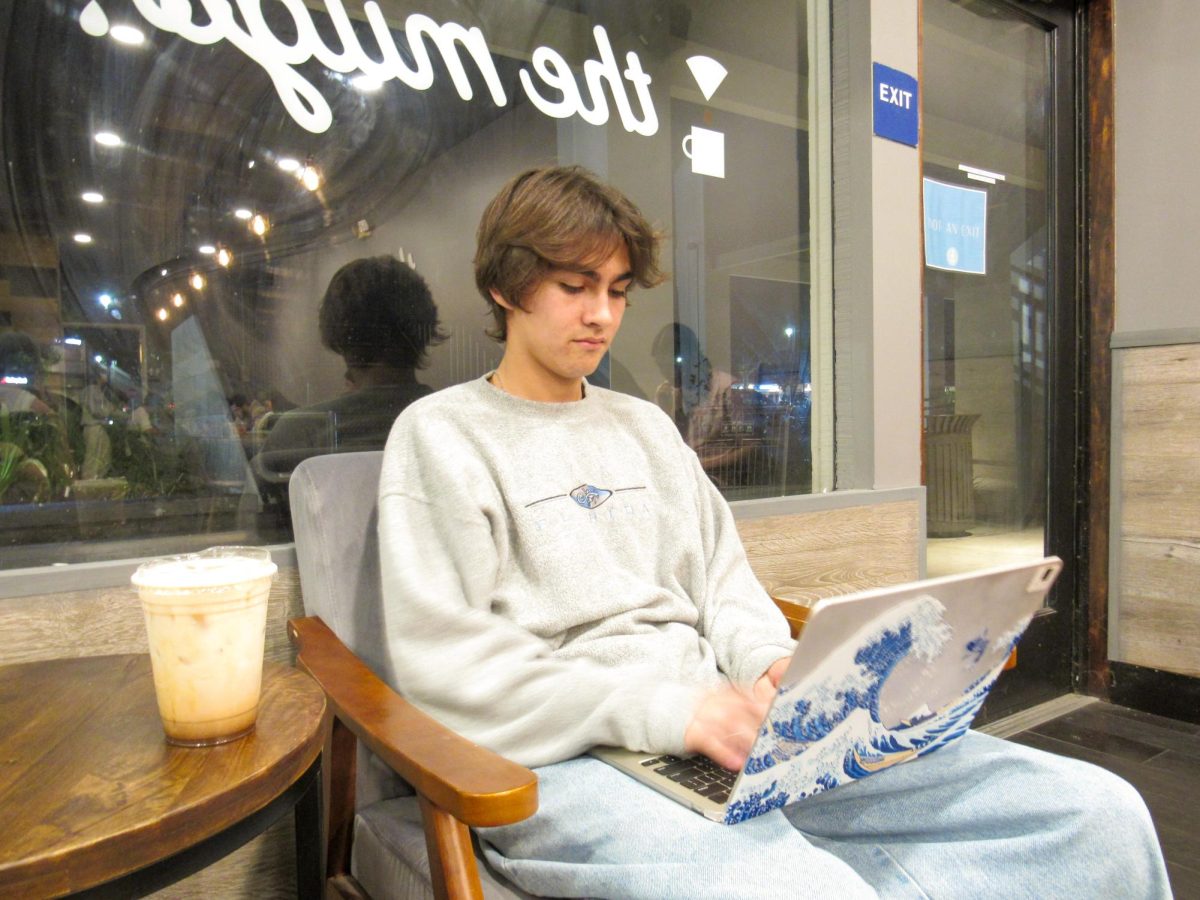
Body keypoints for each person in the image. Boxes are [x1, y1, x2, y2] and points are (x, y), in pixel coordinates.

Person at [378, 166, 1169, 898]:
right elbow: (448, 662)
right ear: (504, 285)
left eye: (618, 290)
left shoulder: (645, 429)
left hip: (727, 729)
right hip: (569, 756)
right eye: (574, 286)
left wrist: (772, 666)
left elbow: (723, 584)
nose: (602, 315)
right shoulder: (443, 435)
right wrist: (664, 710)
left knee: (1094, 814)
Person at [255, 255, 446, 485]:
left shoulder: (298, 434)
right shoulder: (458, 427)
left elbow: (255, 516)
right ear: (426, 325)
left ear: (337, 332)